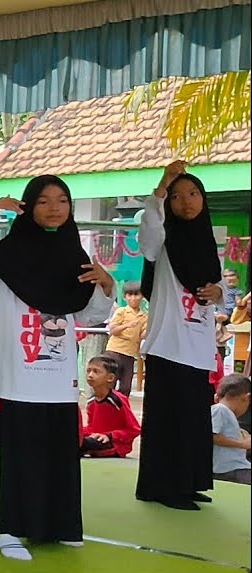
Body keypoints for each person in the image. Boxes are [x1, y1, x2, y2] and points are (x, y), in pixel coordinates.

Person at [0, 177, 115, 561]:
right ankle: (11, 530)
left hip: (60, 378)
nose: (55, 207)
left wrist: (107, 286)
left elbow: (91, 314)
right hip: (20, 378)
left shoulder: (73, 258)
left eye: (62, 200)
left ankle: (60, 526)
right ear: (28, 207)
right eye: (44, 201)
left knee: (62, 456)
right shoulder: (3, 259)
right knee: (20, 458)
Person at [136, 162, 223, 510]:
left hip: (197, 345)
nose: (186, 202)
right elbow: (148, 231)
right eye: (177, 196)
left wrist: (218, 293)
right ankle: (164, 487)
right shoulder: (162, 241)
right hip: (169, 345)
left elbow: (216, 290)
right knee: (168, 420)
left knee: (193, 419)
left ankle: (189, 483)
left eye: (193, 194)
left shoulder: (206, 243)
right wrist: (161, 187)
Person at [80, 355, 141, 458]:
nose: (90, 375)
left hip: (115, 445)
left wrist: (109, 436)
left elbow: (134, 429)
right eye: (88, 371)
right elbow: (92, 428)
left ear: (110, 378)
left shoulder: (117, 400)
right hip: (96, 441)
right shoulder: (91, 403)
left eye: (96, 371)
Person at [105, 281, 147, 395]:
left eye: (136, 294)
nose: (133, 298)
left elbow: (142, 335)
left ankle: (121, 409)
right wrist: (127, 325)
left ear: (142, 296)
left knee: (126, 387)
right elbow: (113, 330)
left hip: (130, 355)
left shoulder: (144, 316)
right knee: (110, 383)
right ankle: (107, 408)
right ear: (124, 297)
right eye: (129, 295)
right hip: (115, 352)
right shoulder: (121, 311)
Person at [211, 374, 252, 484]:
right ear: (246, 397)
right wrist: (242, 444)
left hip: (234, 466)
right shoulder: (220, 410)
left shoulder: (225, 412)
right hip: (230, 468)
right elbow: (212, 436)